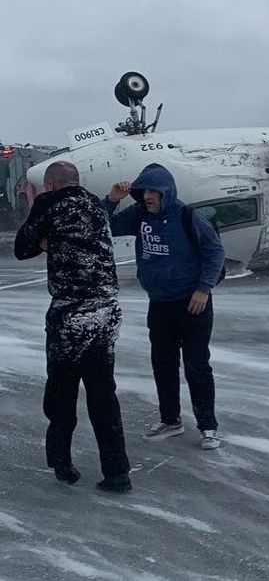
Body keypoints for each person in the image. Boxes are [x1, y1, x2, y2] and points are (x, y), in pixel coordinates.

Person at [14, 161, 132, 492]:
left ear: (50, 184)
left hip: (70, 313)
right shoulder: (95, 205)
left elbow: (21, 248)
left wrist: (40, 237)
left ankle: (61, 463)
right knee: (103, 394)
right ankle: (117, 472)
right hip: (106, 312)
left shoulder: (49, 203)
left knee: (62, 392)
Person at [103, 163, 226, 449]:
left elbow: (215, 252)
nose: (147, 196)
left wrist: (203, 289)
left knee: (196, 366)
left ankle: (208, 426)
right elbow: (104, 225)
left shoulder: (188, 216)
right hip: (159, 303)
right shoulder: (139, 215)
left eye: (153, 191)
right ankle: (170, 419)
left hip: (193, 303)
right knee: (163, 364)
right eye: (143, 191)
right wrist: (111, 200)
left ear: (166, 192)